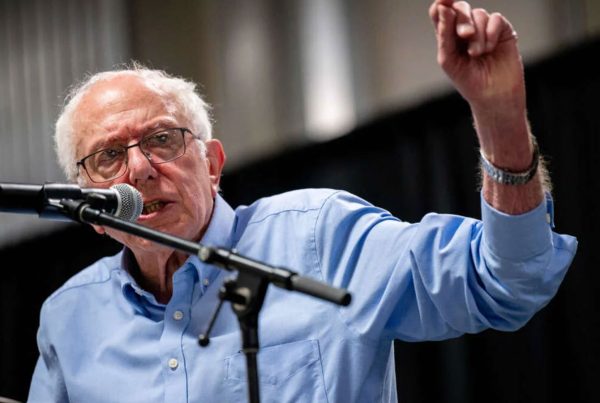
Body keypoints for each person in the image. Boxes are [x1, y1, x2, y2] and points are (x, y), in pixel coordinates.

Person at [28, 1, 577, 402]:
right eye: (108, 157)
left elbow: (506, 279)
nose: (142, 169)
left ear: (213, 164)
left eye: (161, 139)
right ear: (90, 209)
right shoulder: (69, 318)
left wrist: (499, 117)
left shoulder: (323, 237)